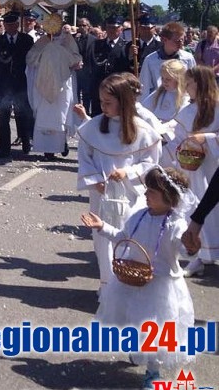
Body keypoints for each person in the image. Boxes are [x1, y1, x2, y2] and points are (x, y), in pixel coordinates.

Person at [81, 167, 195, 390]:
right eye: (148, 189)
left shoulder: (175, 224)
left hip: (160, 287)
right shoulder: (139, 215)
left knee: (156, 329)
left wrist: (190, 247)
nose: (146, 194)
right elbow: (123, 237)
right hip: (132, 280)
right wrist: (102, 226)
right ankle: (137, 349)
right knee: (132, 320)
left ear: (169, 196)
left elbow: (182, 247)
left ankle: (152, 371)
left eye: (153, 191)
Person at [77, 73, 162, 295]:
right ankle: (108, 287)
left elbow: (151, 161)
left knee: (129, 237)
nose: (102, 106)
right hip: (102, 194)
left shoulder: (142, 130)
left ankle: (130, 286)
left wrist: (128, 172)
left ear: (123, 101)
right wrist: (95, 180)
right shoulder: (93, 127)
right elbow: (85, 157)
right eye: (101, 101)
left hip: (131, 193)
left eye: (108, 102)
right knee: (102, 240)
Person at [163, 65, 219, 277]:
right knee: (191, 209)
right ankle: (197, 256)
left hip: (211, 170)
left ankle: (207, 253)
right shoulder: (187, 110)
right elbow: (177, 139)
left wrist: (207, 139)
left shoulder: (216, 107)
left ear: (202, 84)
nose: (185, 88)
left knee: (209, 210)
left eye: (189, 84)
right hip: (190, 169)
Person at [26, 25, 82, 160]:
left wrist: (67, 58)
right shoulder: (43, 41)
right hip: (44, 82)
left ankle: (62, 143)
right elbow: (31, 58)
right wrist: (44, 55)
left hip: (63, 84)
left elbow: (76, 58)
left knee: (61, 114)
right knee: (45, 115)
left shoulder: (68, 40)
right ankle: (47, 150)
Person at [0, 12, 34, 158]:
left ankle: (26, 143)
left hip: (21, 83)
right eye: (7, 25)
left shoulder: (26, 40)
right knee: (3, 117)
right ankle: (4, 148)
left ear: (17, 24)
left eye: (13, 24)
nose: (10, 27)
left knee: (23, 115)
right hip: (4, 85)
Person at [88, 15, 133, 116]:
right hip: (99, 90)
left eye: (115, 28)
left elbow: (130, 69)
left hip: (116, 90)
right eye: (109, 27)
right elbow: (93, 64)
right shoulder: (97, 45)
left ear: (121, 29)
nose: (111, 30)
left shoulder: (126, 46)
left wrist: (131, 56)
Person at [139, 22, 196, 100]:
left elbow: (193, 82)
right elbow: (145, 87)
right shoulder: (151, 60)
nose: (181, 44)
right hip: (159, 103)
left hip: (182, 102)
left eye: (182, 40)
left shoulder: (187, 58)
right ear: (164, 40)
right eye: (177, 41)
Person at [141, 59, 189, 126]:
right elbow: (144, 109)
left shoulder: (185, 98)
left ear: (179, 80)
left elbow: (181, 121)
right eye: (162, 78)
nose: (164, 82)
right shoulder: (159, 93)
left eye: (168, 79)